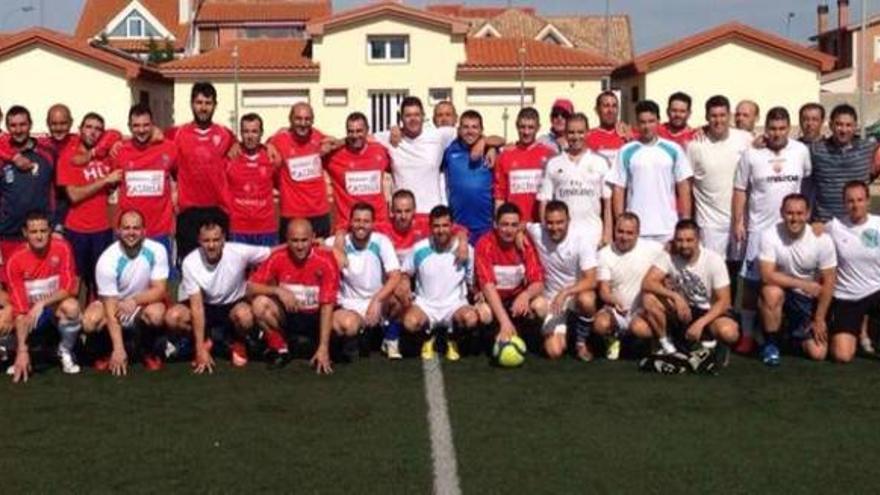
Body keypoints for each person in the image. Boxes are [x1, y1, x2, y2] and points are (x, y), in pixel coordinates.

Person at [733, 107, 811, 354]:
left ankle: (786, 332)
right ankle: (746, 334)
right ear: (765, 129)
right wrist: (738, 221)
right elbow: (740, 189)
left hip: (791, 230)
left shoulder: (801, 151)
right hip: (758, 229)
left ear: (789, 129)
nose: (777, 133)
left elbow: (806, 182)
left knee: (787, 285)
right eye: (772, 129)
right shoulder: (751, 154)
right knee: (751, 283)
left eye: (781, 129)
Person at [809, 104, 880, 354]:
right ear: (831, 124)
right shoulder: (817, 149)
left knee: (863, 269)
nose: (843, 129)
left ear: (856, 127)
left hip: (858, 221)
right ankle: (823, 322)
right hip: (828, 225)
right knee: (831, 279)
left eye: (849, 125)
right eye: (839, 124)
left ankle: (864, 332)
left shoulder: (867, 146)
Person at [165, 218, 270, 373]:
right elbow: (197, 307)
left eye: (216, 240)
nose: (211, 245)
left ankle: (237, 341)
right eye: (206, 241)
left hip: (233, 304)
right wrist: (200, 348)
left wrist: (305, 245)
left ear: (224, 240)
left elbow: (271, 252)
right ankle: (203, 341)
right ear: (199, 241)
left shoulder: (238, 252)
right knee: (172, 317)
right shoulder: (190, 262)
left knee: (245, 317)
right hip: (205, 306)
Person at [84, 210, 170, 375]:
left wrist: (134, 301)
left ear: (144, 231)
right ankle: (108, 350)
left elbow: (160, 290)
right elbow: (110, 309)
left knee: (157, 314)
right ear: (118, 231)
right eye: (126, 228)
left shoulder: (157, 250)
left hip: (143, 303)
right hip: (114, 303)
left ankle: (147, 350)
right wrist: (118, 349)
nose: (131, 233)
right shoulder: (107, 259)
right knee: (89, 322)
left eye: (136, 228)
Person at [248, 219, 339, 373]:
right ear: (287, 240)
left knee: (347, 324)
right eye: (294, 240)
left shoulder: (326, 260)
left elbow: (327, 305)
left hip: (316, 316)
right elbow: (250, 287)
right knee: (259, 305)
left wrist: (324, 346)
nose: (299, 246)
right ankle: (281, 347)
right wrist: (277, 291)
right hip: (290, 315)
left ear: (313, 238)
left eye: (304, 240)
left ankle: (327, 347)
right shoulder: (278, 257)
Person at [758, 194, 836, 365]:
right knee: (771, 292)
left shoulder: (822, 239)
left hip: (808, 301)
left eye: (800, 213)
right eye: (790, 213)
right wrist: (802, 284)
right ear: (781, 213)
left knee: (818, 354)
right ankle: (771, 343)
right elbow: (767, 275)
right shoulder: (769, 235)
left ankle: (791, 336)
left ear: (808, 214)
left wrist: (819, 318)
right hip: (784, 292)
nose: (794, 218)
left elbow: (829, 280)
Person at [641, 220, 739, 355]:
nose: (684, 245)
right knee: (649, 298)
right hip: (683, 310)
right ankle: (666, 344)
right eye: (679, 240)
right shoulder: (669, 257)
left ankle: (714, 342)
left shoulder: (714, 260)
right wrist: (675, 296)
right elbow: (647, 282)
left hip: (709, 311)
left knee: (729, 332)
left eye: (689, 240)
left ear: (698, 240)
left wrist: (701, 323)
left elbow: (725, 301)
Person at [6, 211, 82, 382]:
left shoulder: (62, 247)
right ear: (25, 233)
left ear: (50, 230)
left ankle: (65, 350)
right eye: (34, 232)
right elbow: (19, 309)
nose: (39, 236)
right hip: (29, 312)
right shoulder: (15, 260)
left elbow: (68, 288)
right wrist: (22, 351)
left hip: (53, 307)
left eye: (43, 231)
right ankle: (18, 353)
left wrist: (42, 303)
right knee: (6, 319)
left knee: (72, 307)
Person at [165, 82, 235, 263]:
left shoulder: (226, 135)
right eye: (199, 102)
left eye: (208, 103)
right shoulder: (176, 133)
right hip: (188, 211)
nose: (203, 107)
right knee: (189, 266)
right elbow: (150, 135)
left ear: (215, 105)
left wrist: (271, 145)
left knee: (219, 267)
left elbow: (250, 145)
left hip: (218, 209)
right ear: (191, 104)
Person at [608, 100, 693, 242]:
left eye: (651, 121)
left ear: (658, 121)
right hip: (635, 230)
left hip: (667, 229)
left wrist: (685, 223)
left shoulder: (673, 149)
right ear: (636, 124)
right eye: (642, 122)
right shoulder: (626, 151)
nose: (647, 126)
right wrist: (620, 222)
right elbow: (619, 189)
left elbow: (683, 187)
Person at [57, 112, 121, 301]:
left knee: (100, 280)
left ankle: (96, 325)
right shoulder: (68, 156)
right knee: (76, 282)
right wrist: (105, 180)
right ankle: (74, 325)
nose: (93, 132)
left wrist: (108, 144)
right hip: (77, 228)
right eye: (89, 127)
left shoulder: (107, 153)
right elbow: (74, 195)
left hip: (103, 227)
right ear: (80, 129)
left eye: (98, 129)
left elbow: (116, 133)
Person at [402, 205, 478, 361]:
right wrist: (404, 284)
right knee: (410, 323)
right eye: (436, 226)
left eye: (445, 225)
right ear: (430, 227)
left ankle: (452, 339)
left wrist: (477, 293)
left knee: (471, 319)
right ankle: (428, 338)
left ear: (452, 226)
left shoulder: (465, 250)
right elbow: (405, 272)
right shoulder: (419, 249)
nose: (441, 230)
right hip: (425, 305)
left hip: (454, 305)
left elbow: (471, 280)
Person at [525, 201, 598, 360]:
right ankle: (565, 331)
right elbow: (521, 225)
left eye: (560, 222)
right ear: (544, 222)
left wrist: (566, 292)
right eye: (550, 222)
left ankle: (581, 342)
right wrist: (518, 235)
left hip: (574, 296)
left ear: (568, 221)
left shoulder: (582, 239)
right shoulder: (538, 231)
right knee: (554, 352)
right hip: (552, 300)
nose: (554, 227)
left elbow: (591, 280)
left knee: (587, 299)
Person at [326, 203, 400, 360]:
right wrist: (335, 248)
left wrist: (377, 300)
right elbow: (316, 244)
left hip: (378, 302)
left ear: (373, 223)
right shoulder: (339, 242)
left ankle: (391, 337)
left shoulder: (381, 241)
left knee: (400, 295)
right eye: (357, 220)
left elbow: (395, 275)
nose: (361, 225)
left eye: (366, 221)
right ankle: (362, 335)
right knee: (345, 325)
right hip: (351, 304)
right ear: (350, 222)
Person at [686, 95, 751, 269]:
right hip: (709, 224)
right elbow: (687, 183)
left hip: (740, 220)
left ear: (729, 116)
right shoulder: (695, 145)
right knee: (713, 271)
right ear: (707, 118)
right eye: (713, 116)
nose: (718, 120)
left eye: (722, 115)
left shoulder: (745, 139)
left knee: (738, 270)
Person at [112, 104, 178, 265]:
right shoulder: (119, 151)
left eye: (146, 125)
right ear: (129, 127)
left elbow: (179, 177)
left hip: (161, 230)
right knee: (129, 283)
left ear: (153, 124)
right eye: (136, 126)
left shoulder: (169, 148)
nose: (141, 130)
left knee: (162, 283)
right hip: (129, 231)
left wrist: (175, 200)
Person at [475, 203, 545, 346]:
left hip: (515, 300)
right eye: (504, 224)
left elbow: (538, 282)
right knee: (484, 314)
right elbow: (487, 285)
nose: (509, 230)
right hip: (492, 300)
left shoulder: (524, 244)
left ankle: (526, 336)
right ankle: (492, 338)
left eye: (514, 225)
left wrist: (525, 295)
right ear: (495, 224)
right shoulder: (485, 243)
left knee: (541, 305)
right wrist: (504, 322)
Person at [593, 213, 662, 358]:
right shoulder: (604, 254)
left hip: (641, 311)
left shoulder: (653, 248)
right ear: (614, 230)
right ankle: (613, 339)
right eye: (620, 231)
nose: (624, 237)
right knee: (600, 324)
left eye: (629, 233)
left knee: (639, 328)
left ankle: (656, 342)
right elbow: (604, 291)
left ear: (638, 233)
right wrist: (614, 301)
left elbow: (672, 251)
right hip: (616, 311)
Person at [375, 97, 458, 216]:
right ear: (401, 118)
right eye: (408, 115)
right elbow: (360, 137)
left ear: (423, 116)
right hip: (402, 216)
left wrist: (483, 144)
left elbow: (472, 133)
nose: (413, 119)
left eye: (417, 114)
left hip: (432, 215)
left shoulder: (440, 135)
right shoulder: (389, 137)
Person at [0, 106, 57, 280]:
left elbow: (56, 191)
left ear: (31, 124)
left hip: (41, 232)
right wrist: (13, 157)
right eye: (13, 125)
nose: (18, 130)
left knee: (41, 283)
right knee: (11, 283)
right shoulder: (2, 154)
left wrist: (56, 224)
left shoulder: (47, 152)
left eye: (23, 124)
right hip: (9, 232)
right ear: (8, 127)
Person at [538, 112, 612, 245]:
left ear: (587, 133)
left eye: (580, 132)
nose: (576, 137)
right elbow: (544, 202)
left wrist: (607, 236)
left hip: (593, 237)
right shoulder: (553, 163)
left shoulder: (601, 162)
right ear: (565, 134)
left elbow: (607, 204)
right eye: (571, 132)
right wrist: (547, 236)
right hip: (563, 240)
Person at [826, 181, 880, 363]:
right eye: (850, 201)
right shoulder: (834, 227)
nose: (855, 205)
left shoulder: (878, 224)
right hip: (848, 297)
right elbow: (810, 233)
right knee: (842, 355)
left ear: (868, 201)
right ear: (843, 203)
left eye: (860, 200)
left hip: (876, 291)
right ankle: (857, 331)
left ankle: (869, 328)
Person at [269, 102, 333, 239]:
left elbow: (338, 143)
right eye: (298, 119)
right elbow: (263, 148)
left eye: (307, 119)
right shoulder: (279, 140)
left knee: (320, 257)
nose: (303, 123)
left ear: (312, 120)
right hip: (291, 214)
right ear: (290, 120)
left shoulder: (319, 138)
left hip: (319, 213)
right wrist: (268, 145)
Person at [324, 112, 391, 230]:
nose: (355, 136)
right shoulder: (333, 156)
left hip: (379, 224)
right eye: (351, 131)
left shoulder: (380, 151)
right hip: (348, 227)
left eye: (359, 131)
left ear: (367, 130)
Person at [495, 107, 554, 223]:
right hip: (513, 225)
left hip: (540, 224)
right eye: (522, 127)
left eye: (531, 127)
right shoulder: (504, 156)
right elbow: (499, 196)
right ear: (517, 126)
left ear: (538, 128)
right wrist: (499, 223)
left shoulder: (550, 155)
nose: (526, 132)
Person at [226, 113, 277, 247]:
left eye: (254, 131)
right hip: (238, 229)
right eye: (246, 131)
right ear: (241, 133)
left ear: (261, 133)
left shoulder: (271, 157)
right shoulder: (230, 157)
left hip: (266, 229)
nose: (250, 136)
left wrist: (269, 144)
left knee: (266, 268)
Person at [443, 110, 493, 243]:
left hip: (486, 226)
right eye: (465, 127)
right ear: (459, 130)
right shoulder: (449, 151)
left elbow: (506, 142)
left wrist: (486, 142)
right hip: (458, 226)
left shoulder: (490, 150)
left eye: (474, 127)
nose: (470, 131)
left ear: (481, 130)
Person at [586, 91, 628, 164]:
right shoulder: (587, 137)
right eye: (606, 106)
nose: (610, 110)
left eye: (614, 106)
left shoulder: (629, 135)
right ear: (597, 110)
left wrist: (631, 139)